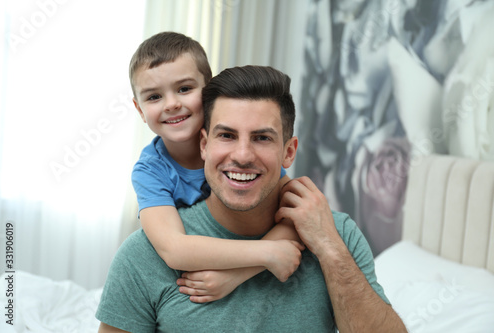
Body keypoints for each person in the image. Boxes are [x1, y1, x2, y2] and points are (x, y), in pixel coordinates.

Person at [96, 65, 407, 332]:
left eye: (262, 138)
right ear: (204, 145)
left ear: (288, 151)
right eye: (227, 135)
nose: (242, 156)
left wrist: (328, 246)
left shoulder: (337, 236)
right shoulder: (143, 256)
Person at [129, 31, 304, 303]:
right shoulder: (150, 171)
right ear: (139, 109)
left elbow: (293, 215)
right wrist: (265, 254)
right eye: (153, 97)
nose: (172, 104)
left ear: (208, 92)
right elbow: (174, 249)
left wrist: (234, 275)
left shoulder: (241, 153)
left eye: (184, 89)